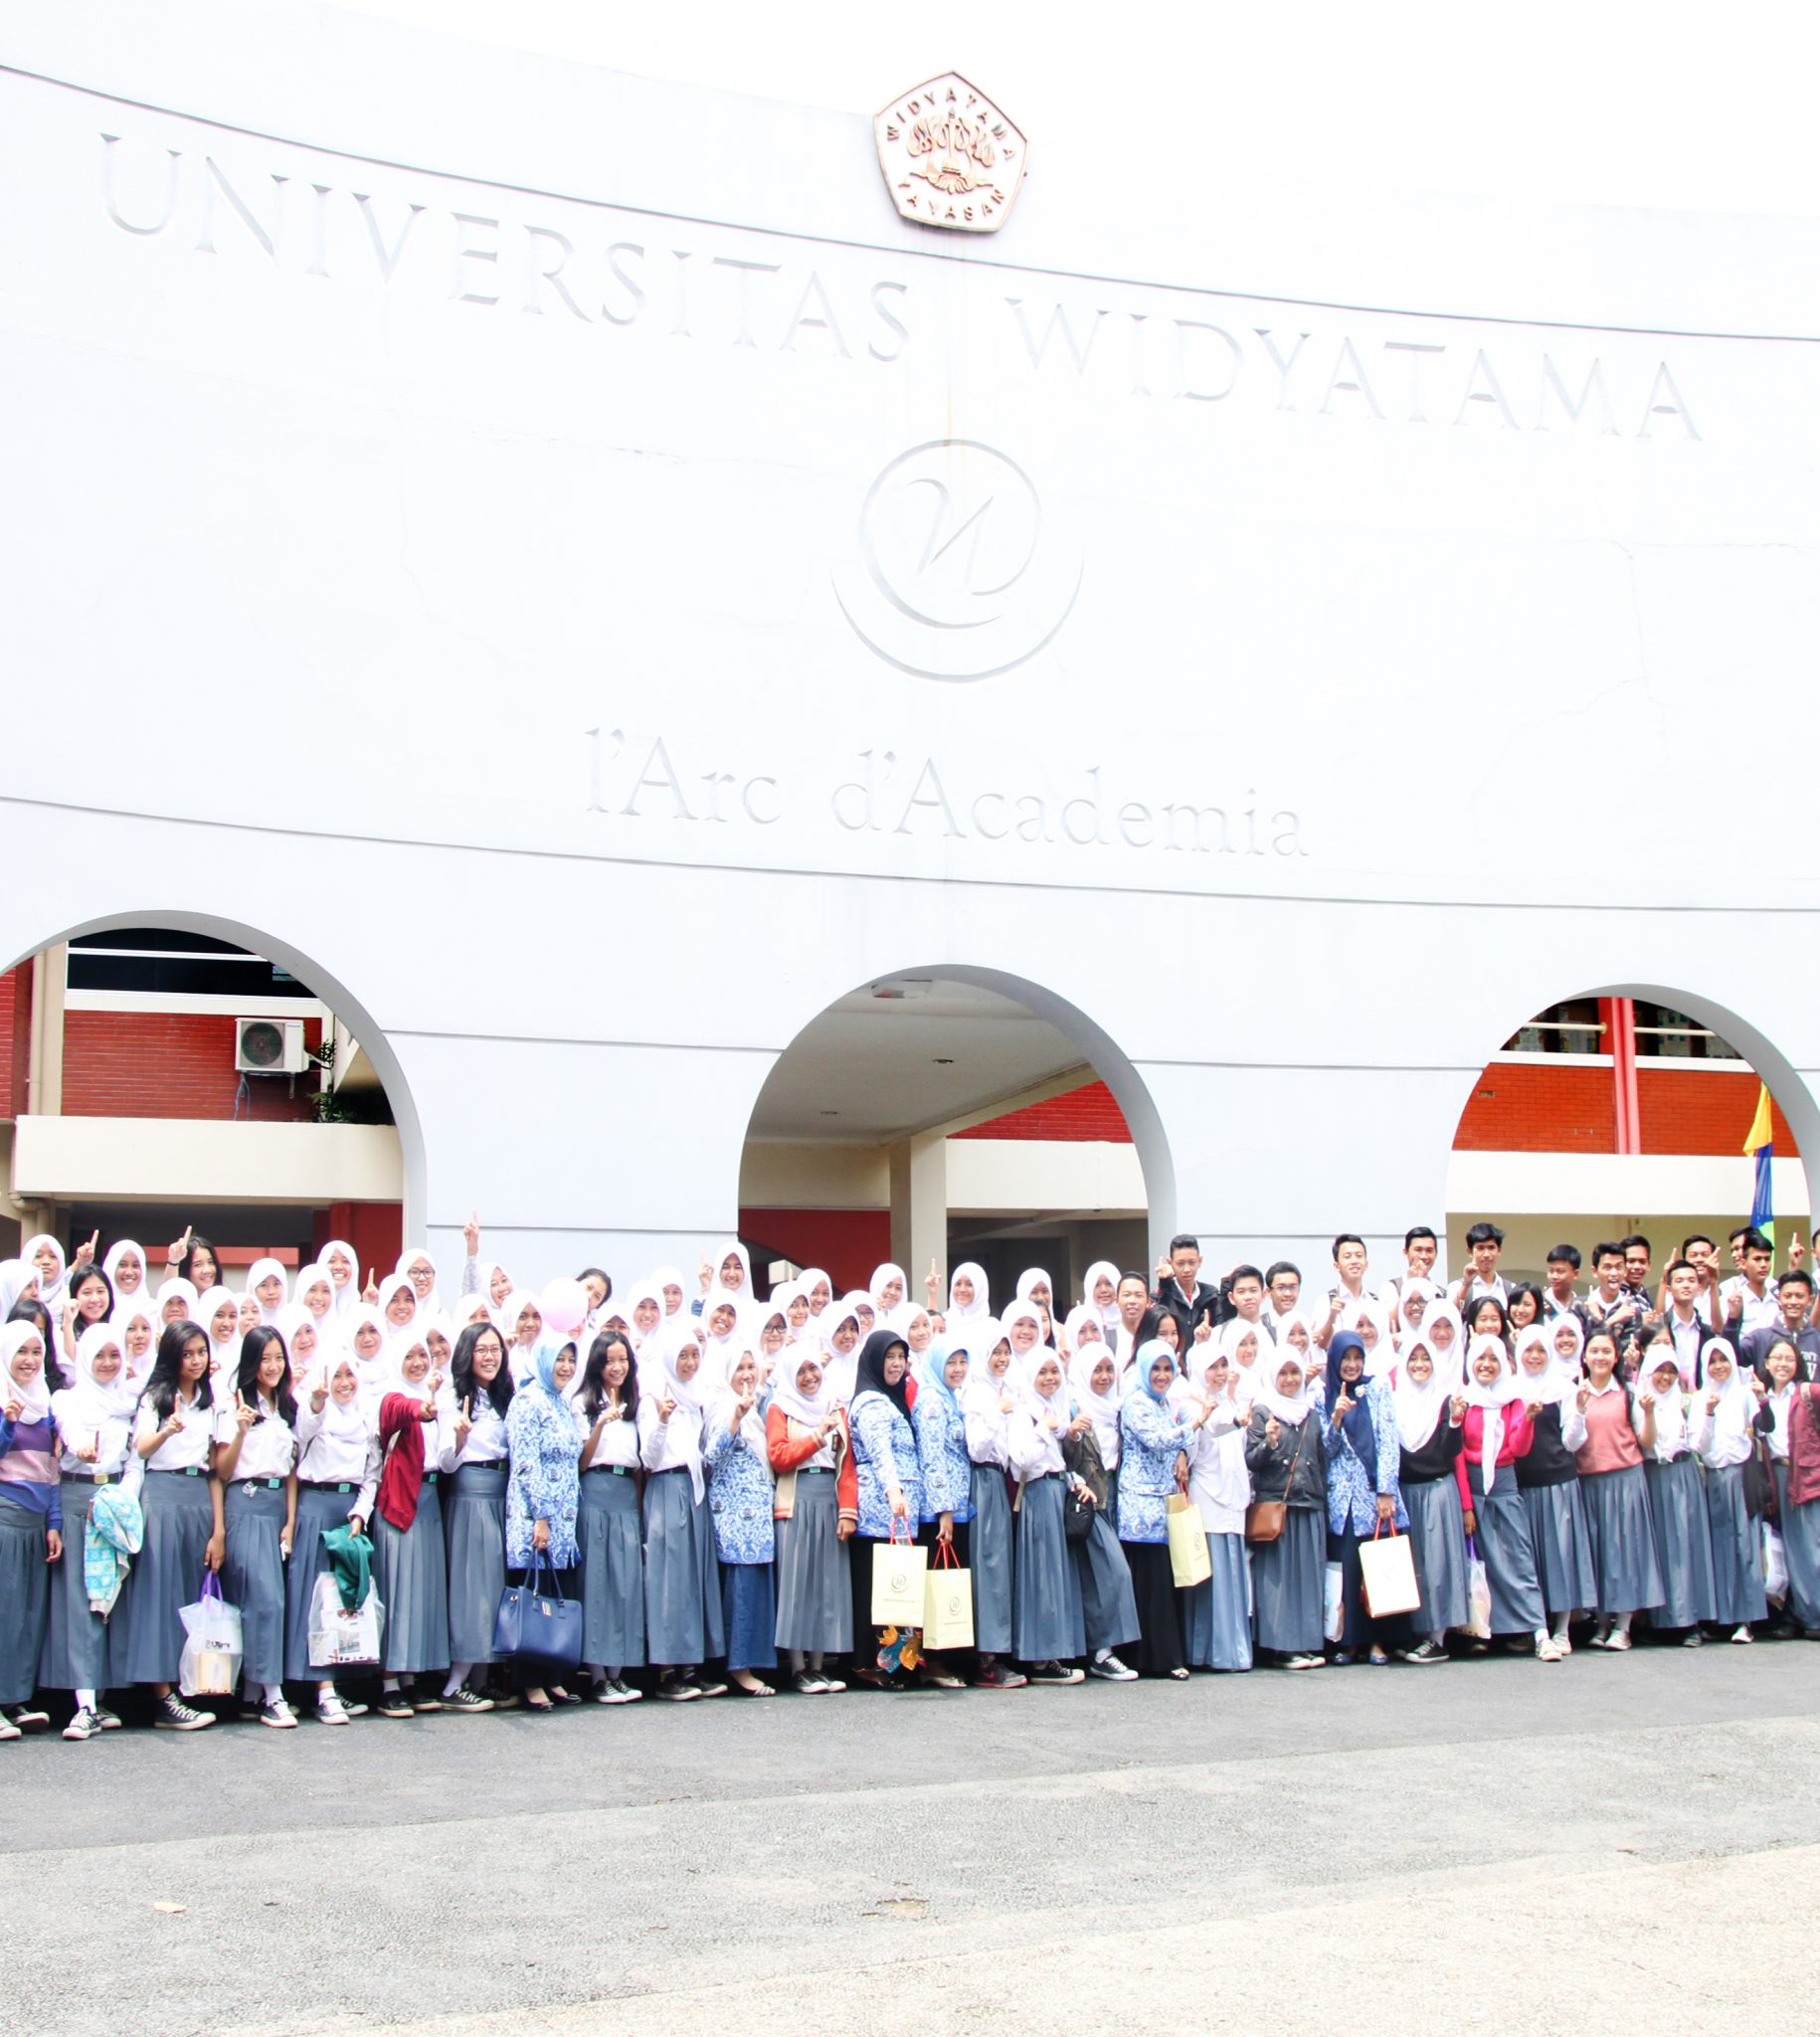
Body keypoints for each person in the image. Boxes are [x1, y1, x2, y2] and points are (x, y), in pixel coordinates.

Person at [123, 1319, 224, 1729]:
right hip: (162, 1496)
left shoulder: (209, 1401)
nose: (196, 1360)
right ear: (173, 1356)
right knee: (159, 1595)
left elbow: (215, 1470)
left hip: (197, 1498)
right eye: (188, 1353)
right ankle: (163, 1694)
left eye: (202, 1352)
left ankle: (189, 1686)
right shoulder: (156, 1397)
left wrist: (219, 1530)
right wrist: (167, 1429)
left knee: (189, 1594)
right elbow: (142, 1447)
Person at [45, 1322, 137, 1738]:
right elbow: (71, 1431)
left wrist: (123, 1498)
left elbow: (137, 1458)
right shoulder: (68, 1398)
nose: (106, 1363)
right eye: (98, 1355)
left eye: (114, 1355)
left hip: (114, 1504)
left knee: (111, 1598)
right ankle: (82, 1703)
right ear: (84, 1357)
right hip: (78, 1501)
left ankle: (102, 1698)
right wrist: (83, 1450)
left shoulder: (128, 1401)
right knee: (82, 1601)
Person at [214, 1325, 299, 1726]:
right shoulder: (233, 1405)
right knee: (266, 1599)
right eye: (264, 1359)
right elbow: (222, 1470)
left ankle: (252, 1691)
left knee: (264, 1598)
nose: (273, 1366)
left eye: (278, 1358)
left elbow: (292, 1471)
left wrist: (291, 1520)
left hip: (275, 1507)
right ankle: (271, 1693)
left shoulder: (286, 1407)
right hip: (244, 1502)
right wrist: (240, 1430)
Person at [287, 1351, 378, 1726]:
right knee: (314, 1599)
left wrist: (360, 1512)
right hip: (315, 1505)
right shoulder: (316, 1412)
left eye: (349, 1375)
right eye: (336, 1374)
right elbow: (301, 1435)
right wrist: (316, 1401)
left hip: (348, 1511)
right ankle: (320, 1688)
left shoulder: (364, 1417)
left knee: (342, 1599)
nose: (344, 1382)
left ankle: (335, 1683)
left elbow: (373, 1473)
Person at [637, 1326, 726, 1700]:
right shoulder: (654, 1398)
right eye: (683, 1356)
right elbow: (648, 1458)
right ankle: (666, 1669)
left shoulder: (695, 1400)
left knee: (693, 1578)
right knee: (669, 1580)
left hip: (693, 1491)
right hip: (665, 1488)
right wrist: (660, 1420)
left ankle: (692, 1665)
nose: (689, 1363)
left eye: (694, 1355)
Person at [1455, 1334, 1553, 1659]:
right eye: (1480, 1358)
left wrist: (1526, 1420)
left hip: (1504, 1484)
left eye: (1493, 1359)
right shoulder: (1463, 1399)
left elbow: (1518, 1447)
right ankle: (1483, 1630)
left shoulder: (1513, 1399)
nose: (1486, 1364)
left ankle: (1538, 1632)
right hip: (1473, 1487)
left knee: (1517, 1559)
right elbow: (1457, 1455)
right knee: (1479, 1564)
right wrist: (1467, 1505)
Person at [371, 1335, 454, 1716]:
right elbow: (401, 1410)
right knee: (398, 1590)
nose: (418, 1362)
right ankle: (388, 1681)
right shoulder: (392, 1398)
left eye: (423, 1354)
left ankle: (412, 1677)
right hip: (401, 1503)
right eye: (410, 1355)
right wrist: (424, 1408)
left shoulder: (438, 1397)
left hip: (430, 1500)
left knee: (424, 1591)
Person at [767, 1342, 854, 1695]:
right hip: (797, 1496)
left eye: (813, 1370)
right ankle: (799, 1667)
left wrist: (848, 1510)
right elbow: (779, 1456)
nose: (808, 1377)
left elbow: (847, 1462)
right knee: (797, 1583)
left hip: (828, 1497)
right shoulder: (780, 1408)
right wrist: (817, 1437)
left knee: (825, 1583)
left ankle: (820, 1666)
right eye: (800, 1371)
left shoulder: (833, 1406)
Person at [1320, 1330, 1408, 1666]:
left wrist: (1385, 1489)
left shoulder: (1378, 1387)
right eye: (1346, 1359)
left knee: (1377, 1570)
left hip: (1374, 1495)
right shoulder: (1324, 1394)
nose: (1353, 1365)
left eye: (1358, 1358)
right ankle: (1348, 1641)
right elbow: (1326, 1450)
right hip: (1343, 1498)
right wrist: (1337, 1418)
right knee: (1348, 1572)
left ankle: (1377, 1642)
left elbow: (1388, 1438)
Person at [1574, 1327, 1666, 1649]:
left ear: (1616, 1357)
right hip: (1589, 1481)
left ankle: (1623, 1626)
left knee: (1625, 1553)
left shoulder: (1628, 1392)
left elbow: (1646, 1441)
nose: (1600, 1357)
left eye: (1606, 1351)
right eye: (1594, 1351)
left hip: (1625, 1479)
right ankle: (1600, 1623)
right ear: (1584, 1356)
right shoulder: (1578, 1392)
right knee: (1598, 1552)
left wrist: (1651, 1412)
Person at [440, 1319, 514, 1712]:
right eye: (482, 1350)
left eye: (495, 1350)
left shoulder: (504, 1395)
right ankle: (454, 1682)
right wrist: (459, 1438)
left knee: (495, 1589)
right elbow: (445, 1463)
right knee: (473, 1590)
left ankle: (482, 1677)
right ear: (467, 1355)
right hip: (470, 1494)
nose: (489, 1357)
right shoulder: (453, 1397)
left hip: (501, 1495)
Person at [1512, 1322, 1596, 1657]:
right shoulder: (1511, 1388)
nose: (1534, 1357)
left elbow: (1573, 1442)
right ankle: (1537, 1627)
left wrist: (1579, 1409)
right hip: (1523, 1486)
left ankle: (1562, 1629)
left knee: (1560, 1557)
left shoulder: (1564, 1388)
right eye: (1529, 1350)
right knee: (1530, 1560)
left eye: (1541, 1351)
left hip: (1558, 1484)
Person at [845, 1327, 924, 1689]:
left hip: (897, 1514)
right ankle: (872, 1665)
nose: (896, 1364)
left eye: (900, 1357)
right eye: (888, 1357)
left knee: (896, 1588)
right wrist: (894, 1491)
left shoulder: (892, 1398)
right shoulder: (872, 1402)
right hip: (881, 1511)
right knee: (878, 1589)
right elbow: (880, 1452)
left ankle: (900, 1663)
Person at [572, 1328, 644, 1703]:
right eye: (610, 1360)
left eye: (623, 1360)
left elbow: (640, 1463)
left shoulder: (636, 1403)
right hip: (596, 1491)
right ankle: (598, 1675)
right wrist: (600, 1424)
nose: (617, 1367)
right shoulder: (583, 1403)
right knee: (597, 1584)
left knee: (625, 1583)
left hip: (625, 1495)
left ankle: (618, 1671)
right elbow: (583, 1461)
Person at [1008, 1350, 1090, 1683]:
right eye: (1041, 1372)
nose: (1049, 1379)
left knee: (1056, 1575)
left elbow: (1059, 1460)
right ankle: (1040, 1657)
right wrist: (1045, 1427)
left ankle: (1053, 1651)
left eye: (1054, 1372)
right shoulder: (1023, 1412)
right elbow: (1023, 1459)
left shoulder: (1055, 1408)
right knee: (1041, 1576)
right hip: (1038, 1495)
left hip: (1056, 1492)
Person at [1634, 1332, 1718, 1643]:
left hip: (1683, 1474)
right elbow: (1646, 1443)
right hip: (1654, 1475)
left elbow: (1698, 1443)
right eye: (1660, 1370)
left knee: (1685, 1544)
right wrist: (1647, 1412)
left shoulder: (1687, 1401)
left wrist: (1706, 1414)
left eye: (1671, 1371)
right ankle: (1660, 1620)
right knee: (1658, 1547)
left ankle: (1689, 1620)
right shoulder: (1640, 1400)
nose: (1666, 1377)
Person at [1062, 1344, 1140, 1680]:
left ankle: (1099, 1650)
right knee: (1115, 1573)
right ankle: (1102, 1651)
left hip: (1115, 1500)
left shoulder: (1118, 1409)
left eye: (1109, 1369)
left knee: (1101, 1577)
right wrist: (1073, 1434)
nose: (1104, 1377)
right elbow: (1064, 1457)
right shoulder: (1077, 1408)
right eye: (1097, 1370)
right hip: (1089, 1501)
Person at [0, 1319, 63, 1738]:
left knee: (27, 1614)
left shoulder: (48, 1406)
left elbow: (54, 1469)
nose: (28, 1360)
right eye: (20, 1351)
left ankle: (14, 1699)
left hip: (37, 1522)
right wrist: (7, 1423)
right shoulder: (4, 1400)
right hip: (5, 1517)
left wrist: (54, 1522)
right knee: (3, 1612)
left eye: (36, 1352)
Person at [704, 1346, 778, 1696]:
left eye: (752, 1366)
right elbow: (712, 1454)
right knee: (741, 1592)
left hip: (757, 1516)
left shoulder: (755, 1411)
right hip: (735, 1519)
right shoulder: (722, 1407)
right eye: (740, 1368)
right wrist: (734, 1418)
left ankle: (756, 1663)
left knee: (756, 1588)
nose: (747, 1374)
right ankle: (739, 1667)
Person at [1244, 1355, 1327, 1668]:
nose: (1291, 1380)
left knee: (1306, 1577)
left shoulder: (1310, 1413)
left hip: (1308, 1503)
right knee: (1279, 1581)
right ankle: (1281, 1647)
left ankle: (1305, 1643)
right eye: (1284, 1373)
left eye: (1295, 1372)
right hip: (1278, 1504)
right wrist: (1270, 1442)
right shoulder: (1264, 1412)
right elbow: (1251, 1459)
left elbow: (1321, 1458)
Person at [1390, 1332, 1465, 1664]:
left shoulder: (1445, 1400)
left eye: (1426, 1359)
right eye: (1413, 1359)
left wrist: (1457, 1421)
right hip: (1407, 1491)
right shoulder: (1395, 1399)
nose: (1419, 1365)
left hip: (1436, 1490)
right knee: (1414, 1565)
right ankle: (1417, 1633)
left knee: (1437, 1563)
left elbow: (1451, 1452)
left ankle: (1438, 1637)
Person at [1181, 1346, 1253, 1672]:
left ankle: (1234, 1650)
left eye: (1224, 1365)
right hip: (1208, 1498)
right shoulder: (1193, 1403)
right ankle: (1211, 1651)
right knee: (1211, 1578)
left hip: (1232, 1498)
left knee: (1232, 1575)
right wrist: (1236, 1418)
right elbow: (1214, 1427)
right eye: (1213, 1367)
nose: (1220, 1373)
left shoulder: (1227, 1401)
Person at [1691, 1337, 1766, 1643]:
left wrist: (1762, 1401)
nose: (1719, 1367)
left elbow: (1763, 1427)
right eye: (1712, 1361)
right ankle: (1722, 1616)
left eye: (1724, 1360)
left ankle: (1746, 1618)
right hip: (1713, 1477)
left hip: (1742, 1474)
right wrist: (1708, 1412)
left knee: (1744, 1543)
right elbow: (1697, 1444)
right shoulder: (1699, 1398)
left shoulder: (1744, 1393)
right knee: (1718, 1544)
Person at [961, 1327, 1023, 1689]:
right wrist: (997, 1413)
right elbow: (978, 1448)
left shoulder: (1004, 1389)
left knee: (999, 1566)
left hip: (999, 1481)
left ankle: (996, 1652)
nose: (1001, 1358)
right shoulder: (977, 1393)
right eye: (995, 1352)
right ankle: (985, 1657)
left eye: (1006, 1352)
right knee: (988, 1566)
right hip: (982, 1481)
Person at [911, 1337, 974, 1690]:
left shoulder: (950, 1398)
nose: (958, 1370)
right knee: (939, 1583)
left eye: (963, 1362)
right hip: (940, 1514)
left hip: (956, 1509)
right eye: (951, 1363)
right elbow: (932, 1459)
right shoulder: (932, 1401)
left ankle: (946, 1659)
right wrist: (944, 1511)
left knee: (949, 1583)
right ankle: (934, 1662)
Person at [1752, 1336, 1820, 1635]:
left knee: (1811, 1548)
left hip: (1807, 1475)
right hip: (1775, 1476)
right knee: (1787, 1548)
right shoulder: (1760, 1396)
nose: (1783, 1364)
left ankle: (1814, 1616)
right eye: (1777, 1358)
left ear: (1798, 1364)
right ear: (1766, 1363)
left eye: (1789, 1359)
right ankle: (1798, 1615)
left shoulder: (1809, 1392)